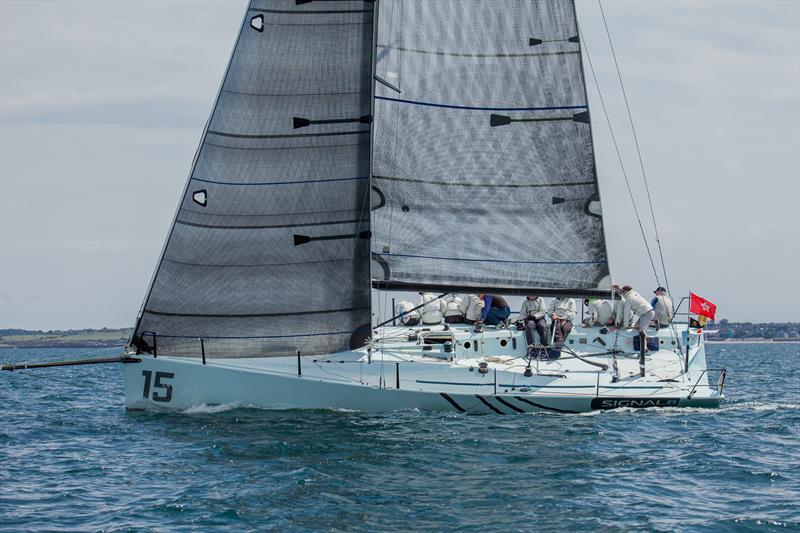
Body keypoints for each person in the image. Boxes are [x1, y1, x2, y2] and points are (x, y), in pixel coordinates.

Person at [621, 285, 655, 350]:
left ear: (626, 291)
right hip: (648, 313)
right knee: (636, 326)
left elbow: (626, 313)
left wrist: (625, 325)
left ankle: (645, 348)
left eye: (622, 291)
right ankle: (638, 343)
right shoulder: (635, 293)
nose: (622, 293)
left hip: (646, 314)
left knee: (642, 331)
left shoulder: (628, 298)